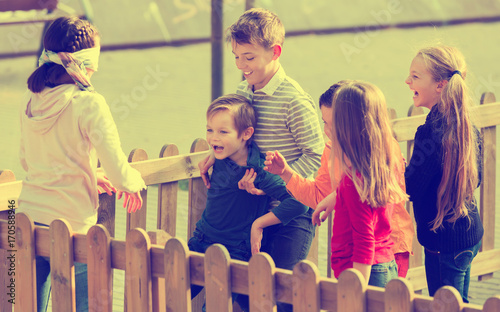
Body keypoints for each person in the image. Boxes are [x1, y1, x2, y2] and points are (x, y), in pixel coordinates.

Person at [17, 16, 145, 311]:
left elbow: (27, 159)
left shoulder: (30, 98)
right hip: (72, 225)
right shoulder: (89, 102)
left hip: (29, 219)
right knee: (88, 306)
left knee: (29, 305)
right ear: (87, 64)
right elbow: (118, 170)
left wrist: (87, 171)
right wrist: (134, 182)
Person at [255, 81, 414, 278]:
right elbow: (322, 195)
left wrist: (357, 288)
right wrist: (287, 174)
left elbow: (365, 236)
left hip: (376, 259)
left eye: (333, 124)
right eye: (324, 122)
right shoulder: (337, 153)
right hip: (362, 261)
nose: (326, 132)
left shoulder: (378, 155)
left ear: (352, 123)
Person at [189, 94, 308, 311]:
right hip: (200, 240)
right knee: (168, 293)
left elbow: (300, 203)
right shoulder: (220, 155)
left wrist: (259, 224)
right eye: (209, 130)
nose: (213, 138)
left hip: (234, 253)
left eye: (223, 132)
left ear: (246, 133)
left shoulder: (259, 171)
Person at [404, 45, 483, 302]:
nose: (408, 81)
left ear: (440, 85)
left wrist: (396, 169)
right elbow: (476, 179)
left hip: (442, 244)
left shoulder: (429, 134)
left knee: (445, 305)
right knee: (461, 302)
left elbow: (411, 188)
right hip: (469, 235)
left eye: (415, 76)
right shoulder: (467, 125)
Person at [318, 81, 406, 286]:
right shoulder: (381, 167)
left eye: (333, 122)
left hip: (364, 273)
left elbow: (364, 243)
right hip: (385, 263)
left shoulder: (353, 183)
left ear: (346, 127)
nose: (327, 129)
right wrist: (336, 197)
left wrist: (357, 292)